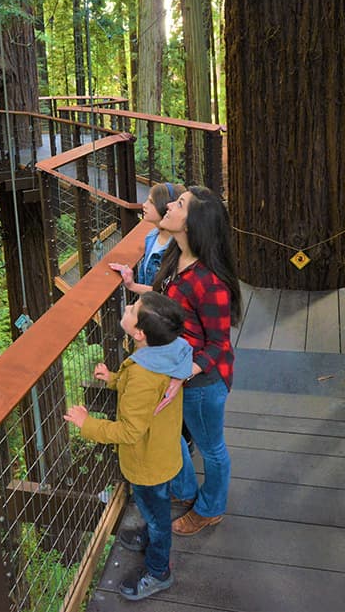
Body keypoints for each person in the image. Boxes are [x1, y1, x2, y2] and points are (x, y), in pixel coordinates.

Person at [113, 186, 242, 537]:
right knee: (172, 436)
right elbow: (167, 299)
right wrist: (134, 287)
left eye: (179, 204)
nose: (169, 205)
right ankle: (184, 491)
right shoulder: (176, 254)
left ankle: (210, 509)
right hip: (174, 372)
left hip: (201, 381)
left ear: (194, 223)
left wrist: (180, 376)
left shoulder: (210, 281)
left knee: (211, 447)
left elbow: (218, 345)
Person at [64, 292, 193, 602]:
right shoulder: (166, 352)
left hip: (148, 461)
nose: (128, 306)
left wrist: (87, 424)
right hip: (161, 452)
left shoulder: (143, 374)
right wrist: (113, 379)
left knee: (158, 515)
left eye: (134, 308)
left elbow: (130, 430)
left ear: (139, 333)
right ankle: (149, 531)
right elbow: (141, 390)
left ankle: (159, 571)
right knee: (153, 507)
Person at [110, 181, 185, 294]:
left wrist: (133, 286)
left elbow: (167, 294)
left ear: (166, 207)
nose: (144, 205)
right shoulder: (151, 237)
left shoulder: (178, 249)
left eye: (151, 202)